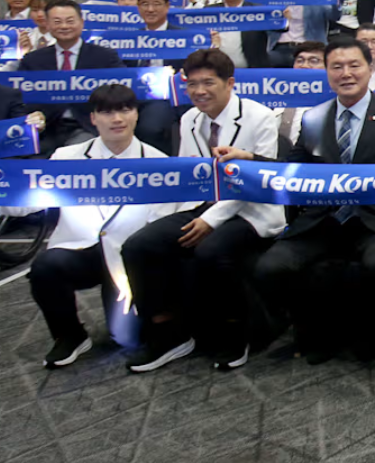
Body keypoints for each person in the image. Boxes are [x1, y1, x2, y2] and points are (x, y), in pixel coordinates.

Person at [253, 37, 375, 363]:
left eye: (354, 65)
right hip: (324, 218)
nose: (346, 73)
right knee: (270, 267)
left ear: (368, 68)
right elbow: (291, 168)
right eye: (337, 67)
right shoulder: (314, 118)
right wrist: (247, 159)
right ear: (327, 72)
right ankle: (315, 332)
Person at [119, 50, 283, 372]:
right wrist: (172, 219)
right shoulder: (189, 119)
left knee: (211, 250)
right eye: (192, 84)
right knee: (139, 245)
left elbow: (261, 181)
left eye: (208, 82)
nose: (199, 91)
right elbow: (190, 178)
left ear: (230, 83)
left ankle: (237, 332)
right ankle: (168, 333)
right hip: (204, 204)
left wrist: (211, 220)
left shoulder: (260, 116)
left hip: (252, 209)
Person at [11, 85, 181, 368]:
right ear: (93, 118)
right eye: (107, 112)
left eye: (125, 110)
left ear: (136, 115)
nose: (117, 119)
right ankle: (69, 335)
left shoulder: (159, 164)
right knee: (44, 267)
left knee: (126, 338)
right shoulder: (66, 158)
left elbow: (159, 227)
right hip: (80, 251)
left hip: (129, 259)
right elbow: (27, 203)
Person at [17, 0, 123, 151]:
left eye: (70, 21)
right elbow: (19, 97)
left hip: (88, 125)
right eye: (57, 21)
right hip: (46, 127)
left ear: (82, 22)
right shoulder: (33, 59)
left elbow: (121, 92)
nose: (64, 26)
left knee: (76, 156)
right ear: (47, 24)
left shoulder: (105, 56)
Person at [207, 0, 276, 68]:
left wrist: (283, 17)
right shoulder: (209, 11)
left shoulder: (257, 10)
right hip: (216, 69)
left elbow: (279, 27)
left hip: (252, 70)